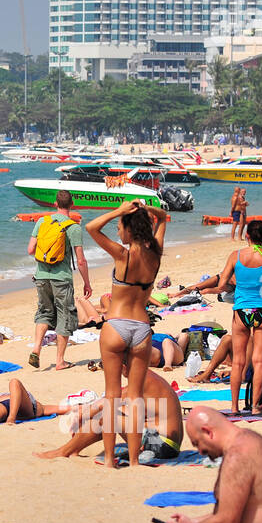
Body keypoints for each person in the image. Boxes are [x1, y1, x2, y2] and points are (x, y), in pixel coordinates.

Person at [39, 407, 262, 523]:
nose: (201, 451)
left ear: (208, 431)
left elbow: (227, 522)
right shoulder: (248, 441)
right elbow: (239, 512)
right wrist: (193, 521)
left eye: (198, 443)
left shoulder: (239, 455)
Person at [84, 199, 168, 467]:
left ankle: (109, 459)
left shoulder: (123, 255)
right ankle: (133, 459)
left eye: (120, 227)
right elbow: (164, 217)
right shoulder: (155, 253)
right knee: (135, 398)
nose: (118, 232)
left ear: (129, 229)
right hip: (142, 328)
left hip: (117, 325)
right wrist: (145, 209)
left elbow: (91, 227)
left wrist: (120, 211)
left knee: (111, 396)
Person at [214, 219, 262, 414]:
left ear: (247, 236)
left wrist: (235, 284)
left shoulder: (235, 256)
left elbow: (222, 285)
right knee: (258, 360)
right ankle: (255, 407)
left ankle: (234, 407)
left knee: (238, 361)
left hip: (241, 311)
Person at [37, 367, 182, 462]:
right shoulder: (147, 376)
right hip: (166, 444)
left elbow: (106, 402)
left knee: (106, 415)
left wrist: (80, 417)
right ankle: (73, 449)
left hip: (160, 445)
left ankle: (64, 451)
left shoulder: (143, 380)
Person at [29, 189, 91, 371]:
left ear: (55, 204)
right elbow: (80, 260)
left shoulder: (42, 221)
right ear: (72, 205)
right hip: (61, 279)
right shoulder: (73, 227)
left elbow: (30, 249)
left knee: (44, 312)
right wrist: (87, 282)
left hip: (41, 276)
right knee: (65, 315)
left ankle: (36, 349)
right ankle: (60, 361)